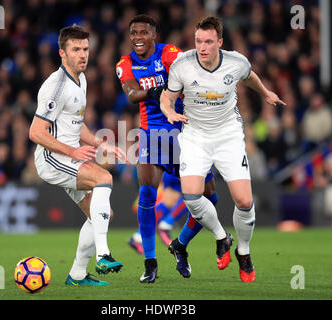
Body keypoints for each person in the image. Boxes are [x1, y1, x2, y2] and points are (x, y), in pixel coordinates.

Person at [160, 16, 286, 282]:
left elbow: (249, 76)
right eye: (198, 41)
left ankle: (244, 251)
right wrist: (168, 110)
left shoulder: (236, 62)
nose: (202, 47)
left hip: (228, 135)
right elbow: (167, 95)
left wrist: (265, 93)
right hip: (195, 136)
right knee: (192, 197)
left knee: (244, 200)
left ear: (220, 42)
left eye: (208, 41)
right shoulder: (183, 65)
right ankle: (221, 237)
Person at [116, 14, 219, 283]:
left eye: (143, 32)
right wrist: (156, 91)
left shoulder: (169, 53)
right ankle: (150, 263)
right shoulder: (125, 63)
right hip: (153, 135)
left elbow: (191, 73)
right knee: (147, 196)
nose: (138, 37)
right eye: (133, 33)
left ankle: (180, 245)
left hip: (186, 132)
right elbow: (130, 93)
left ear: (154, 36)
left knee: (209, 198)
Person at [29, 25, 127, 286]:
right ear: (62, 53)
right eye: (76, 49)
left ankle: (77, 275)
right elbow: (36, 132)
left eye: (85, 48)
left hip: (71, 157)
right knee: (104, 178)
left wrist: (100, 143)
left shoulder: (80, 79)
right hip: (52, 158)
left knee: (101, 215)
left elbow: (75, 122)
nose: (82, 54)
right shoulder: (57, 87)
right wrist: (72, 151)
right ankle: (103, 255)